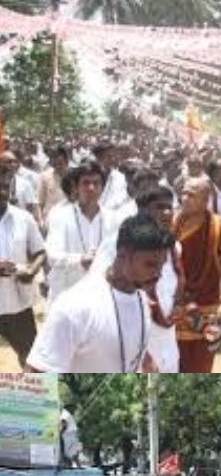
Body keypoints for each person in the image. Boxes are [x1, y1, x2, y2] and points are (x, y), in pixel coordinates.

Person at [27, 214, 172, 372]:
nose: (158, 274)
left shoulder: (140, 295)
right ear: (122, 255)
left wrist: (147, 362)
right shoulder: (74, 307)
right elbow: (36, 374)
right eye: (150, 264)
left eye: (162, 265)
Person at [171, 177, 221, 372]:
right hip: (179, 307)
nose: (184, 198)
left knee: (202, 365)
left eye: (191, 195)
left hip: (209, 309)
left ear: (205, 199)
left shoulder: (219, 227)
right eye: (183, 193)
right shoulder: (173, 223)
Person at [45, 162, 118, 304]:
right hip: (66, 294)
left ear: (103, 187)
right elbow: (52, 255)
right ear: (76, 187)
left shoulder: (113, 219)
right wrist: (80, 260)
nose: (91, 188)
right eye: (86, 183)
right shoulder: (60, 216)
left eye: (96, 183)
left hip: (101, 295)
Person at [0, 158, 47, 367]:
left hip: (18, 305)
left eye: (6, 184)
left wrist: (32, 271)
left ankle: (30, 391)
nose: (3, 188)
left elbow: (40, 251)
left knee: (32, 363)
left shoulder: (24, 218)